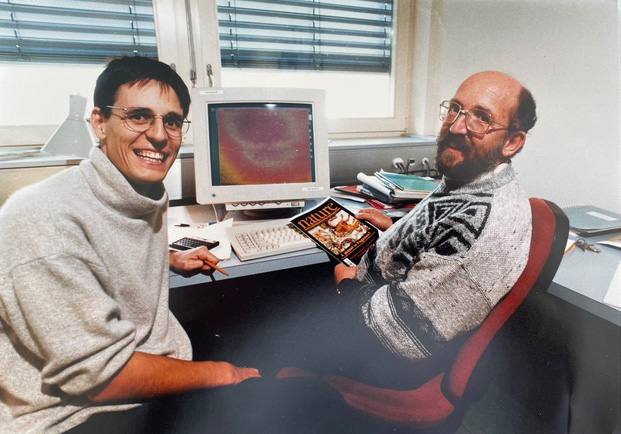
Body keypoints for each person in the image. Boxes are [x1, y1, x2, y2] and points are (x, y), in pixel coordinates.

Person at [0, 56, 258, 434]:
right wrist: (222, 374)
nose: (158, 135)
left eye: (171, 121)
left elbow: (105, 249)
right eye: (139, 115)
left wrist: (170, 258)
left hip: (133, 367)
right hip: (75, 414)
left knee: (267, 353)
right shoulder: (43, 219)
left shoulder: (140, 190)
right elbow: (103, 378)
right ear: (99, 123)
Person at [326, 70, 537, 384]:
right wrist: (397, 229)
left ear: (512, 142)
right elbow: (436, 239)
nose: (455, 126)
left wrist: (345, 285)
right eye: (454, 108)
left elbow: (396, 334)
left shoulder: (480, 224)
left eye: (481, 117)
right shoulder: (472, 180)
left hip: (381, 355)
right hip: (372, 299)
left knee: (263, 325)